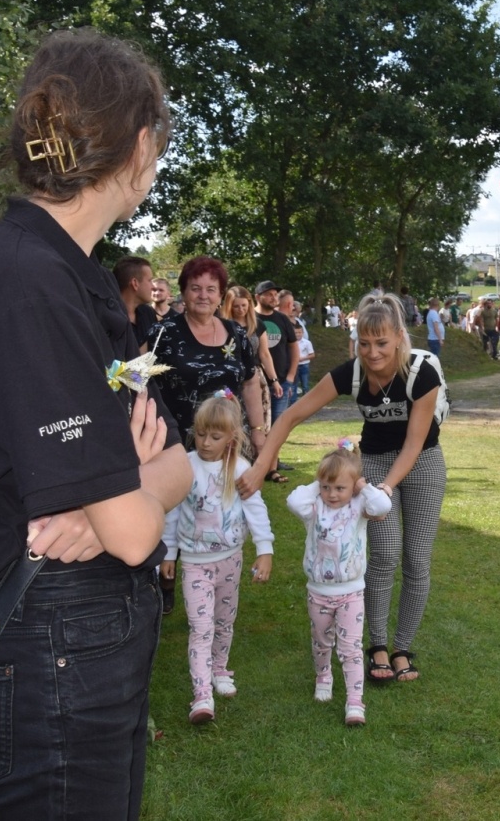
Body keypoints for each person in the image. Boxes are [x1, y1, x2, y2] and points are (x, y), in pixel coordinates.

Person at [0, 28, 191, 820]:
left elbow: (178, 458)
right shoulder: (29, 283)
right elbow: (140, 529)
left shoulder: (84, 282)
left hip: (85, 632)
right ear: (139, 146)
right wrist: (123, 499)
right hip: (53, 641)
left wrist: (116, 497)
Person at [252, 294, 444, 685]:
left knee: (417, 560)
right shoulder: (350, 373)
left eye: (382, 343)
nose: (372, 352)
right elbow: (291, 415)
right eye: (364, 343)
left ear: (399, 338)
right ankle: (375, 645)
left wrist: (386, 490)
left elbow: (413, 443)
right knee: (384, 553)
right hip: (372, 462)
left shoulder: (422, 375)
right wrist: (260, 467)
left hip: (422, 462)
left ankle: (402, 647)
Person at [161, 392, 274, 724]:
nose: (205, 443)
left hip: (230, 561)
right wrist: (168, 551)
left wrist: (265, 550)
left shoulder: (240, 469)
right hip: (195, 562)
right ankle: (201, 696)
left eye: (215, 436)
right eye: (200, 434)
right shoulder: (185, 467)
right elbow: (172, 512)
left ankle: (220, 669)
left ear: (231, 438)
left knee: (224, 621)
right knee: (200, 627)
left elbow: (257, 511)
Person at [284, 438, 392, 726]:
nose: (332, 494)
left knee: (351, 648)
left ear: (354, 486)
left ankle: (355, 702)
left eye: (340, 487)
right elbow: (293, 500)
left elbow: (383, 505)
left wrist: (362, 487)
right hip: (318, 592)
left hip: (351, 593)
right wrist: (317, 481)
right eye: (326, 487)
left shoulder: (359, 507)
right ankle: (323, 677)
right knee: (321, 641)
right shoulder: (314, 508)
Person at [150, 257, 274, 481]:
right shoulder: (162, 333)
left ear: (220, 295)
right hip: (178, 446)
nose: (203, 295)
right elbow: (143, 384)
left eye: (211, 289)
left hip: (230, 442)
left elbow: (250, 381)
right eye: (195, 288)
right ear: (184, 292)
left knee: (232, 506)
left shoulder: (236, 332)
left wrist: (257, 431)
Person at [255, 280, 299, 420]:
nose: (274, 298)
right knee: (257, 425)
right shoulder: (249, 318)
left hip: (281, 382)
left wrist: (290, 377)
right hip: (255, 383)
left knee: (277, 424)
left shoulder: (282, 319)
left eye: (275, 294)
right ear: (257, 297)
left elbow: (294, 347)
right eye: (269, 295)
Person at [113, 255, 157, 348]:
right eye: (150, 280)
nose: (153, 287)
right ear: (135, 283)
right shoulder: (107, 318)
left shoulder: (148, 313)